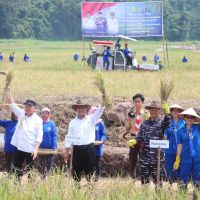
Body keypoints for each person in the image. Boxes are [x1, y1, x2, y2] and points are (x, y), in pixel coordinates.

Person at [130, 101, 171, 186]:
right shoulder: (144, 124)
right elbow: (139, 137)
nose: (153, 112)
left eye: (156, 110)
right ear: (149, 111)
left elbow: (167, 122)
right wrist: (135, 140)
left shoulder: (161, 123)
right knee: (144, 180)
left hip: (157, 157)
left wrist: (167, 113)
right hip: (145, 156)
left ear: (159, 111)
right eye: (152, 110)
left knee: (158, 181)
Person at [64, 99, 104, 182]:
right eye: (79, 108)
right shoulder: (72, 122)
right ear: (76, 110)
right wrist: (67, 151)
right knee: (76, 172)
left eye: (83, 108)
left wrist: (103, 101)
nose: (81, 109)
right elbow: (69, 137)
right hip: (77, 149)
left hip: (89, 149)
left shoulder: (91, 119)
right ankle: (76, 190)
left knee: (90, 172)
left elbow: (100, 110)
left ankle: (91, 190)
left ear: (86, 109)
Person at [6, 88, 43, 179]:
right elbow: (12, 105)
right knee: (16, 168)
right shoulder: (21, 113)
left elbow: (39, 136)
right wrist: (8, 92)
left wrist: (35, 150)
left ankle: (30, 187)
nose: (27, 108)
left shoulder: (38, 120)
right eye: (26, 106)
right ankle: (16, 184)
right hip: (19, 147)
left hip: (30, 149)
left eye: (29, 107)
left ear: (34, 109)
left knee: (30, 170)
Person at [174, 108, 200, 198]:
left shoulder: (198, 127)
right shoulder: (180, 130)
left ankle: (196, 197)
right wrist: (177, 158)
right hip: (185, 158)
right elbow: (179, 145)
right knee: (184, 178)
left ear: (194, 118)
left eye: (192, 117)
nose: (189, 119)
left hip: (197, 158)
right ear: (184, 117)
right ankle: (182, 196)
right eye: (187, 117)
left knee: (197, 179)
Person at [123, 93, 149, 178]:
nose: (137, 103)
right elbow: (127, 126)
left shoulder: (146, 114)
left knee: (143, 159)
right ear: (133, 102)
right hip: (133, 138)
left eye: (139, 101)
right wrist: (125, 134)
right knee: (132, 160)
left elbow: (148, 126)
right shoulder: (130, 114)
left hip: (143, 139)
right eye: (135, 101)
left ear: (142, 103)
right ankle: (132, 179)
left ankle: (144, 179)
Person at [164, 104, 185, 183]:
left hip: (181, 151)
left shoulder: (183, 123)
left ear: (180, 112)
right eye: (174, 110)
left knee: (180, 170)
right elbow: (165, 136)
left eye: (178, 110)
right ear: (171, 112)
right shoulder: (167, 123)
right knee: (169, 170)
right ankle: (170, 189)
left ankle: (180, 189)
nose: (176, 112)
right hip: (169, 151)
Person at [88, 106, 106, 181]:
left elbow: (103, 134)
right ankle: (89, 178)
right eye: (93, 112)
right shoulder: (87, 122)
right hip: (88, 147)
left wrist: (102, 140)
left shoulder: (100, 123)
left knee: (96, 164)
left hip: (97, 147)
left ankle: (96, 179)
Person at [38, 107, 57, 179]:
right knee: (41, 164)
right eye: (43, 113)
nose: (45, 115)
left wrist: (54, 146)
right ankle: (43, 178)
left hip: (50, 148)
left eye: (47, 113)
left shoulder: (52, 124)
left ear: (49, 115)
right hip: (40, 148)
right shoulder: (38, 123)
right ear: (41, 114)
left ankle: (50, 179)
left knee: (50, 164)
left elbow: (54, 135)